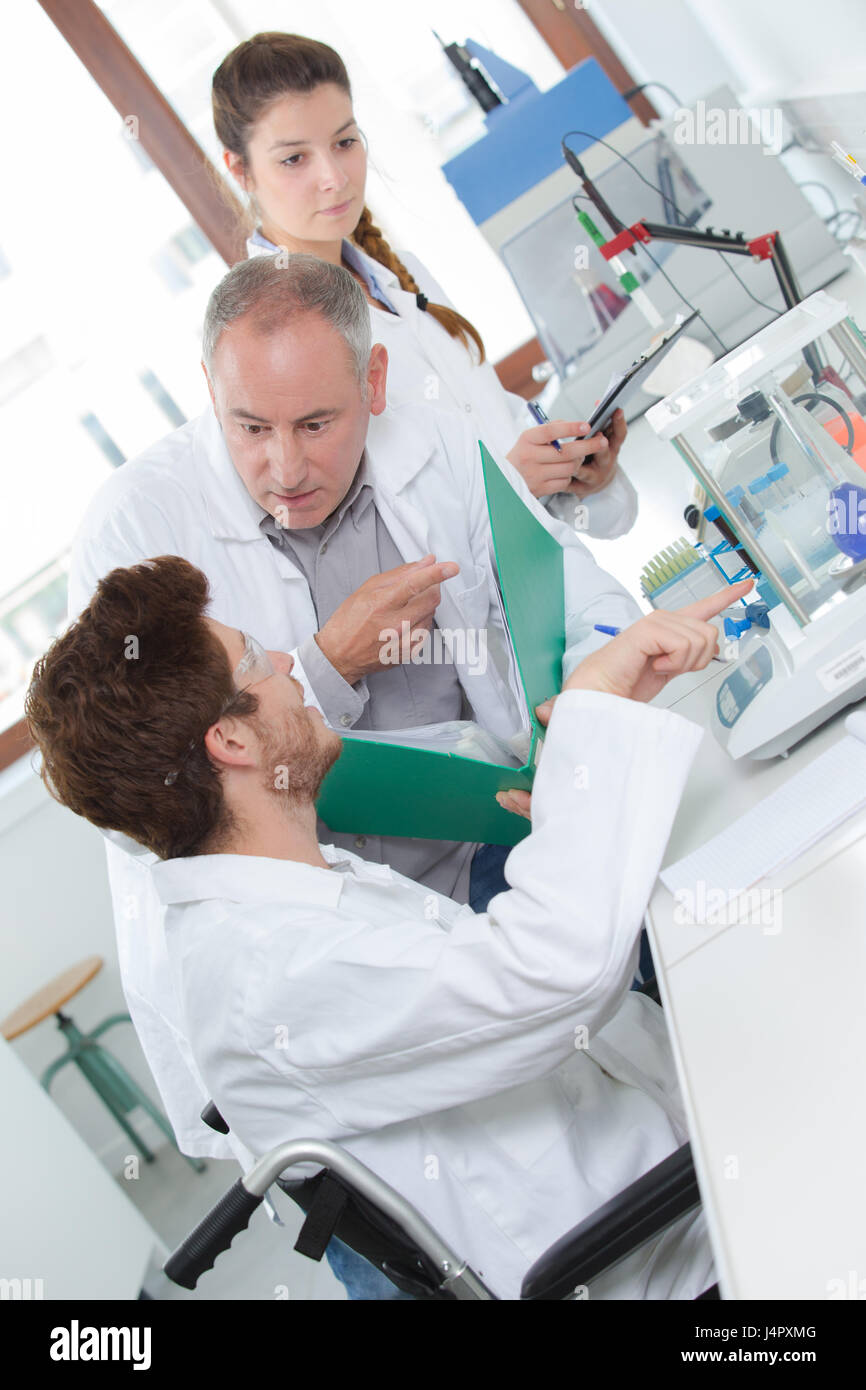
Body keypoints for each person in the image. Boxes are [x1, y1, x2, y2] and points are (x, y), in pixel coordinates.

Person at [28, 557, 750, 1298]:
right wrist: (594, 709)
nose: (285, 662)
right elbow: (556, 975)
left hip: (690, 1162)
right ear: (232, 742)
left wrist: (583, 793)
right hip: (690, 1260)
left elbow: (516, 984)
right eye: (255, 658)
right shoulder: (267, 974)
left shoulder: (298, 894)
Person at [212, 31, 637, 536]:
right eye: (294, 159)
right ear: (240, 169)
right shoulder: (261, 338)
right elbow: (341, 541)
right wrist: (507, 488)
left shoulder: (402, 274)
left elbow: (499, 424)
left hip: (561, 578)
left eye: (345, 142)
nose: (334, 177)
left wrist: (583, 473)